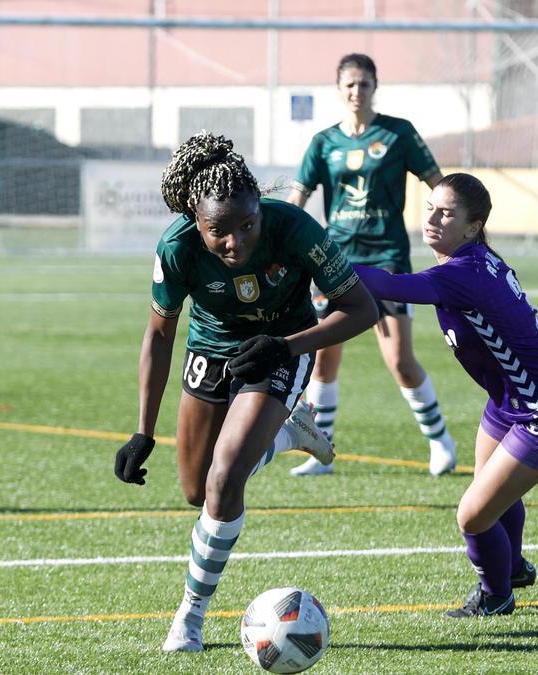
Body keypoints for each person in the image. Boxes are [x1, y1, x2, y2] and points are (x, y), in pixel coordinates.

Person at [113, 131, 378, 651]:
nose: (236, 242)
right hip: (211, 353)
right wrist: (142, 431)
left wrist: (287, 346)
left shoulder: (296, 228)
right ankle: (283, 436)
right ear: (196, 221)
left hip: (282, 347)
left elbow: (361, 309)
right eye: (219, 232)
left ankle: (189, 618)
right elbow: (159, 335)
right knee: (197, 491)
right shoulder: (176, 247)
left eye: (247, 225)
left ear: (260, 208)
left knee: (225, 478)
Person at [352, 172, 538, 617]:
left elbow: (388, 285)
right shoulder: (471, 261)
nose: (433, 219)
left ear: (472, 227)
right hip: (510, 403)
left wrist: (319, 262)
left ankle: (495, 595)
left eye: (446, 213)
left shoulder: (461, 273)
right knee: (491, 497)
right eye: (430, 209)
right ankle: (513, 567)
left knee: (472, 516)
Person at [286, 52, 457, 477]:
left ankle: (440, 441)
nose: (356, 92)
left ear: (374, 87)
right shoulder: (324, 142)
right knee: (323, 357)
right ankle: (320, 452)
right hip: (334, 261)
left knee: (399, 359)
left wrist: (442, 226)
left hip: (388, 260)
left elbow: (440, 187)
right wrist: (284, 246)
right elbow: (297, 201)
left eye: (363, 84)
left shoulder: (398, 134)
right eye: (349, 85)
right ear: (338, 90)